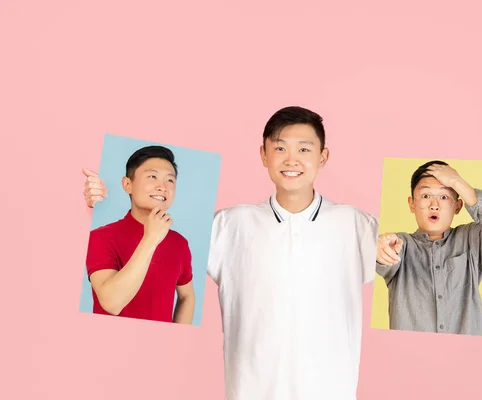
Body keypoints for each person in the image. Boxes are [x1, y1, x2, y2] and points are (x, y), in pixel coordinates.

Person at [82, 107, 378, 400]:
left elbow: (407, 261)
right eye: (279, 148)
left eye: (304, 149)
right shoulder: (228, 224)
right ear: (263, 154)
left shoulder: (356, 224)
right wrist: (97, 202)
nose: (292, 160)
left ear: (323, 157)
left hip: (330, 391)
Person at [376, 160, 482, 336]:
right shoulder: (401, 244)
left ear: (458, 206)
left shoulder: (472, 239)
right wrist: (377, 247)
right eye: (425, 196)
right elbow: (381, 256)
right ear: (411, 204)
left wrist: (457, 182)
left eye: (444, 196)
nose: (434, 204)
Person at [84, 145, 195, 324]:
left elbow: (187, 296)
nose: (162, 187)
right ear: (128, 184)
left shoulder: (179, 243)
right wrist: (151, 238)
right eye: (152, 176)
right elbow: (111, 303)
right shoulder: (100, 238)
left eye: (170, 180)